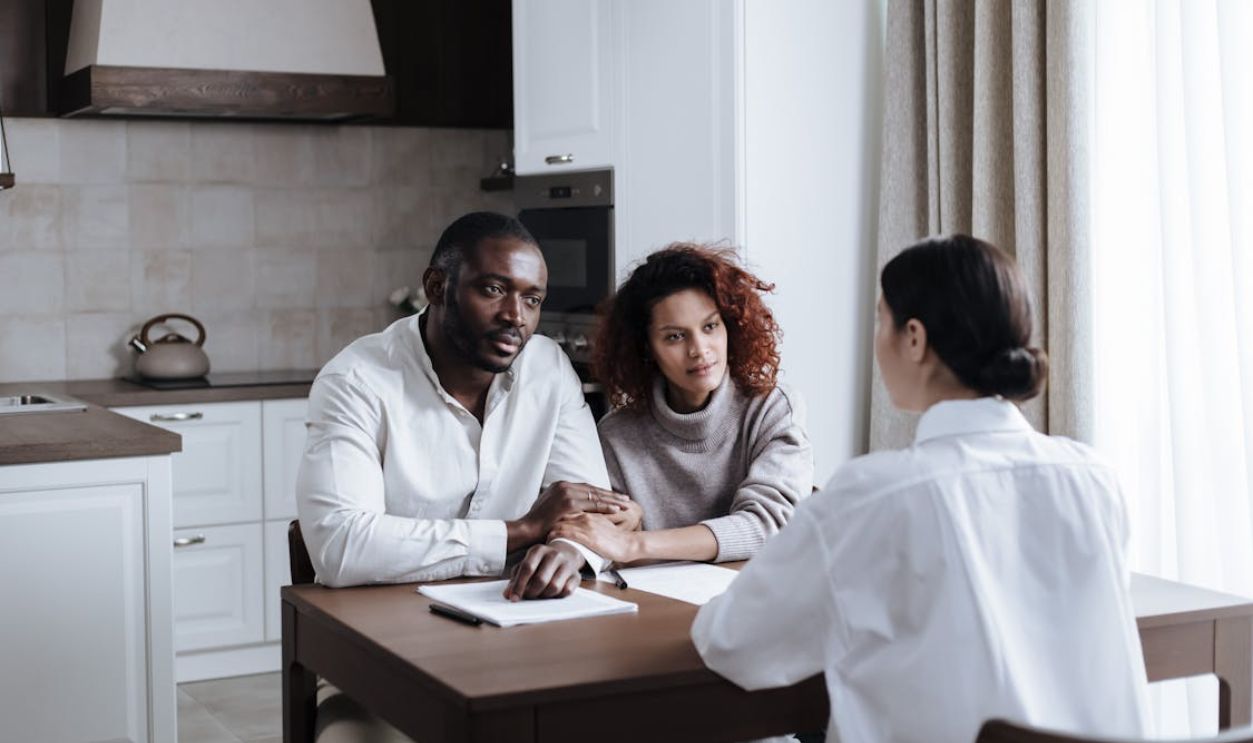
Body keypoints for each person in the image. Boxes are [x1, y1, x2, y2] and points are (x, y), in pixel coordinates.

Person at [690, 235, 1151, 743]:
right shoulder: (1095, 478)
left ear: (914, 338)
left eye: (880, 320)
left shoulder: (874, 495)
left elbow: (735, 644)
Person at [548, 244, 812, 568]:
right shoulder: (617, 436)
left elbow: (768, 525)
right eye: (675, 337)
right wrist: (627, 526)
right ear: (647, 348)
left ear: (730, 325)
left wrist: (636, 542)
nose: (699, 350)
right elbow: (601, 544)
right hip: (657, 609)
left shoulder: (772, 409)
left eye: (710, 327)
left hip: (757, 605)